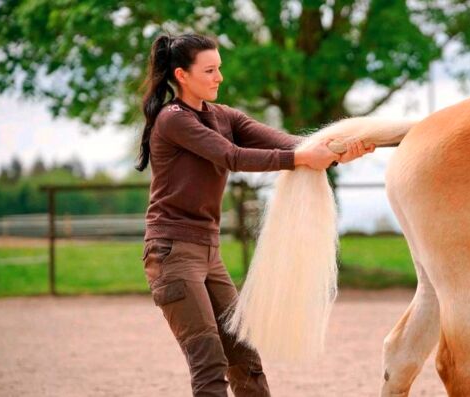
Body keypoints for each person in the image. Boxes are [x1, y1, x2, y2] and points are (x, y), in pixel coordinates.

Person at [135, 32, 375, 396]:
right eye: (210, 70)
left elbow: (291, 144)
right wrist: (300, 160)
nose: (219, 78)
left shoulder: (223, 115)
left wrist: (338, 150)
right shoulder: (173, 120)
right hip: (171, 252)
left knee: (245, 357)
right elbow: (231, 156)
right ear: (181, 75)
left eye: (220, 69)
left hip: (208, 253)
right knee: (209, 361)